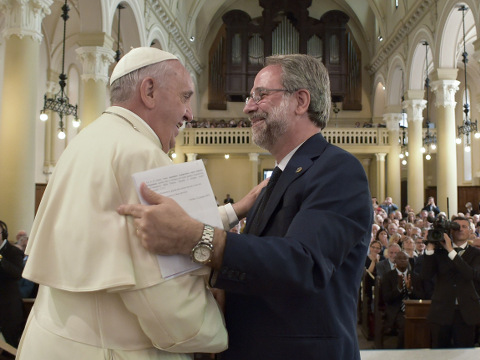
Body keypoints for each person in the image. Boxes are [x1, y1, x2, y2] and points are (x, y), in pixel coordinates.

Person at [118, 54, 372, 359]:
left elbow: (303, 264)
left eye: (260, 95)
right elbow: (261, 269)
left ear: (301, 101)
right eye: (250, 96)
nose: (248, 107)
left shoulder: (338, 169)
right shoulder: (278, 178)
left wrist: (200, 238)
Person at [16, 48, 241, 360]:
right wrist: (219, 328)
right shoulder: (141, 154)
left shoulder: (85, 140)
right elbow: (163, 298)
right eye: (185, 96)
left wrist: (234, 210)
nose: (189, 113)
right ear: (148, 91)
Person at [421, 216, 480, 348]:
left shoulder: (476, 253)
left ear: (471, 231)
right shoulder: (438, 253)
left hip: (466, 312)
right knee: (439, 353)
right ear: (450, 231)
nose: (460, 229)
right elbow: (426, 276)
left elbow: (470, 274)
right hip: (441, 310)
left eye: (464, 226)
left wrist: (450, 250)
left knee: (465, 353)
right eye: (456, 226)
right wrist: (430, 248)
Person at [381, 251, 421, 348]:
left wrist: (410, 290)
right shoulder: (387, 276)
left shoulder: (415, 276)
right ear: (395, 261)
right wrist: (398, 289)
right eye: (400, 258)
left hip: (413, 309)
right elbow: (387, 298)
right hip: (396, 310)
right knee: (406, 323)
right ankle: (402, 352)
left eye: (405, 258)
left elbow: (421, 296)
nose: (403, 260)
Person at [0, 220, 24, 348]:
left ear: (3, 234)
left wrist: (0, 258)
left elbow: (17, 274)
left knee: (11, 348)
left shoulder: (14, 252)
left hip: (8, 310)